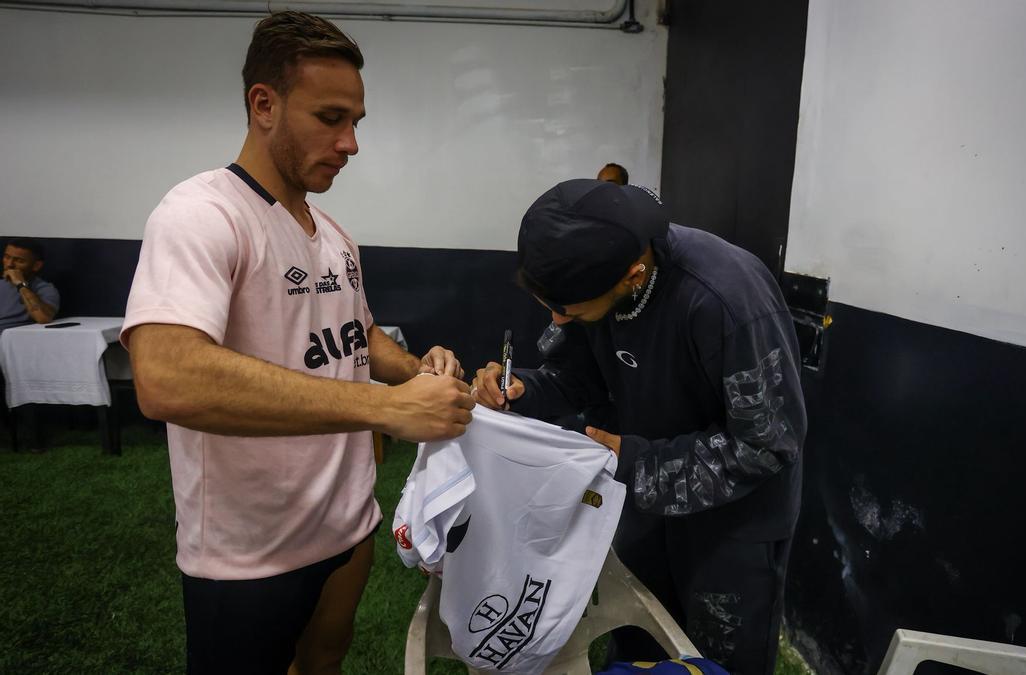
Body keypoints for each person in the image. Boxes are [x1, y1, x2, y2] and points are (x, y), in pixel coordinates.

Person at [122, 11, 474, 675]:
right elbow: (167, 377)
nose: (350, 142)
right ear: (264, 104)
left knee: (322, 659)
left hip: (345, 521)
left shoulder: (333, 232)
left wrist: (417, 372)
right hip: (250, 551)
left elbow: (357, 338)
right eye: (331, 117)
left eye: (356, 122)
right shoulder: (201, 213)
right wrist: (384, 409)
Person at [472, 179, 807, 674]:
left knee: (719, 661)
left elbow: (766, 445)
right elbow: (577, 377)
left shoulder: (726, 300)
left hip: (731, 524)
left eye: (568, 310)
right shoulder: (592, 278)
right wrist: (524, 388)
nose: (558, 322)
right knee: (636, 643)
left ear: (633, 276)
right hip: (639, 499)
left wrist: (634, 462)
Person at [1, 238, 60, 331]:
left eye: (19, 261)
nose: (9, 264)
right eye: (6, 257)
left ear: (36, 266)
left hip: (12, 339)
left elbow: (43, 318)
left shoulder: (45, 289)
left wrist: (20, 284)